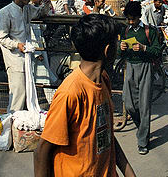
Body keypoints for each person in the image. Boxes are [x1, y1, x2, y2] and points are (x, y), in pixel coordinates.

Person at [34, 14, 136, 177]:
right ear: (107, 50)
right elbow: (41, 151)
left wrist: (129, 173)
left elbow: (106, 135)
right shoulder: (71, 92)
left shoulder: (103, 79)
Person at [0, 0, 52, 112]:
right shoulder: (5, 12)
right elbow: (1, 38)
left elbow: (39, 13)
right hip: (14, 58)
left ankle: (19, 120)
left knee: (26, 91)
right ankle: (11, 120)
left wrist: (46, 4)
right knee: (18, 93)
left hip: (26, 57)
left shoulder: (27, 9)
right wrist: (17, 45)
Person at [120, 1, 161, 155]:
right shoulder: (126, 31)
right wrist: (121, 47)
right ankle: (142, 128)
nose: (131, 22)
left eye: (133, 19)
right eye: (128, 19)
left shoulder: (149, 31)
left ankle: (143, 141)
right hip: (130, 66)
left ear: (139, 17)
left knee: (144, 106)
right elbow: (120, 54)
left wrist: (144, 48)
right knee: (129, 103)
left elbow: (157, 51)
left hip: (145, 67)